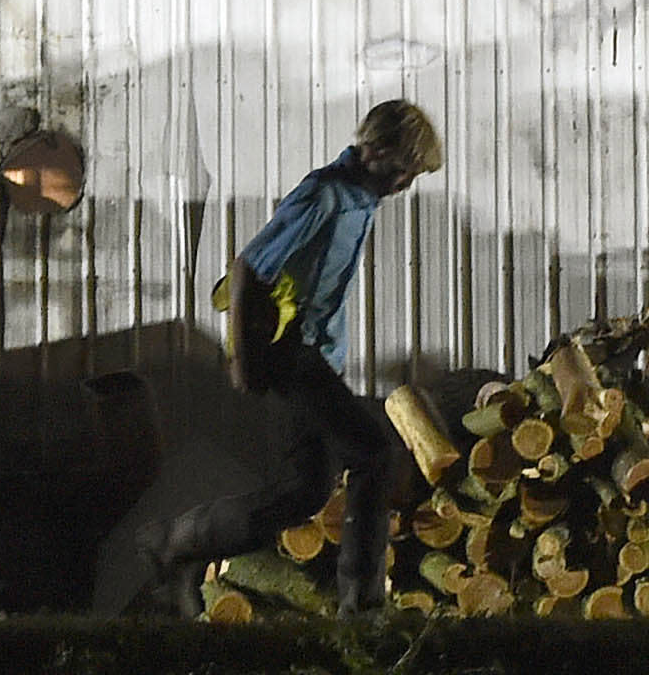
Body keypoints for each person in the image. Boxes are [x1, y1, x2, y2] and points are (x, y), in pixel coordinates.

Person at [141, 101, 442, 614]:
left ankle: (178, 540)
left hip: (318, 357)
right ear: (374, 151)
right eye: (402, 172)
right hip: (289, 353)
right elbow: (246, 269)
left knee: (302, 494)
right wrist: (243, 359)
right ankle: (363, 605)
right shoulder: (324, 196)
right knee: (373, 453)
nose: (405, 186)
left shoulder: (362, 199)